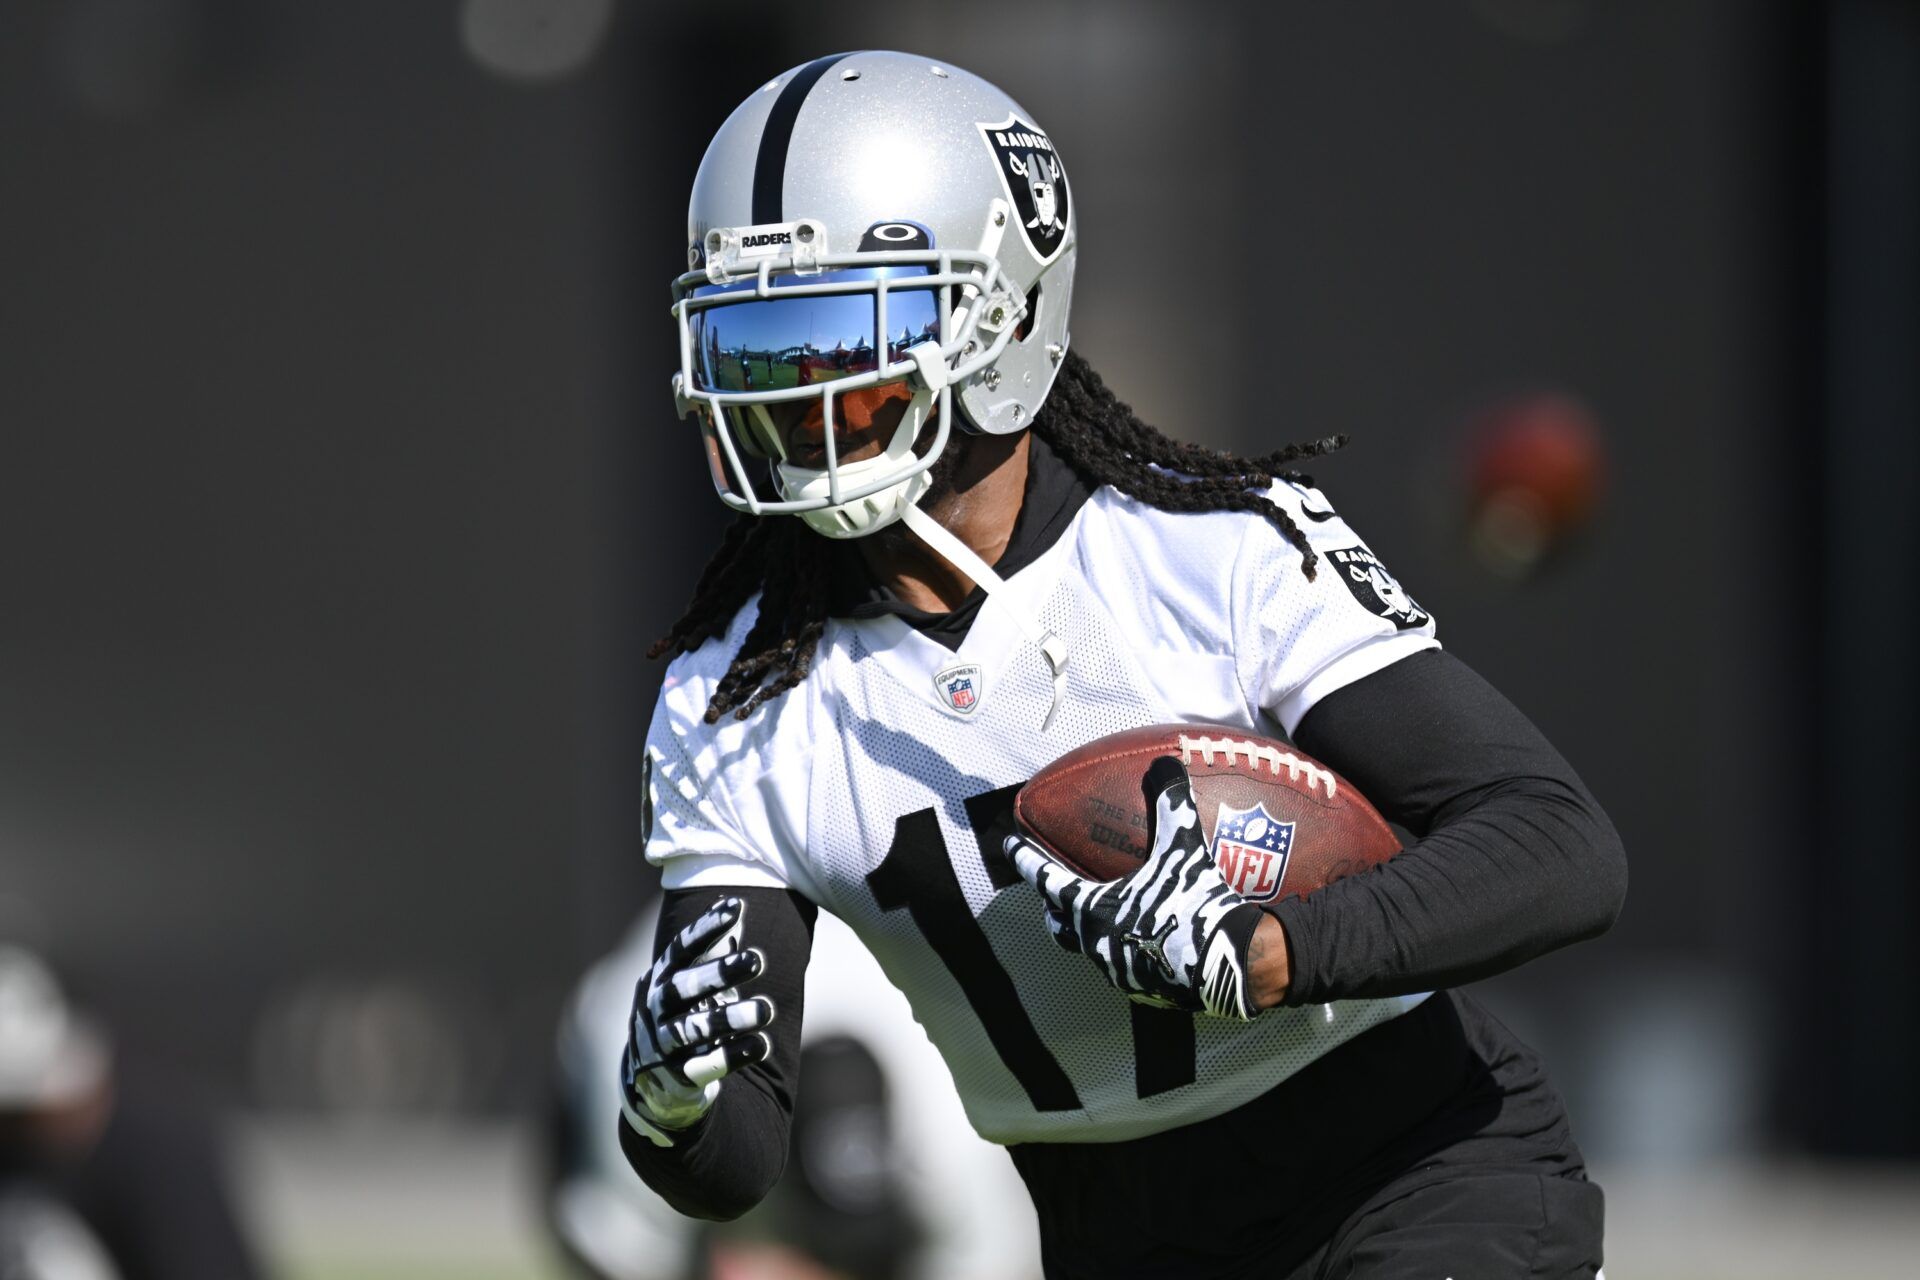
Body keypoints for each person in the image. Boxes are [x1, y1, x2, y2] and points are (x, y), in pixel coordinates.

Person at [622, 51, 1626, 1280]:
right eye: (756, 345)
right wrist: (670, 1099)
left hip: (1410, 1166)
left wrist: (1277, 946)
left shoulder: (1208, 548)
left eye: (840, 336)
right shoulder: (732, 695)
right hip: (1115, 1237)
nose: (799, 397)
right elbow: (736, 1158)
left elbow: (1557, 843)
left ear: (997, 314)